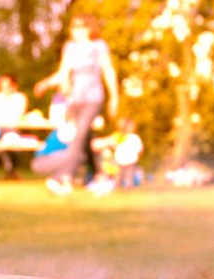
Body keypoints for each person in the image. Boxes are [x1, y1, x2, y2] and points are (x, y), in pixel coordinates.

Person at [32, 13, 119, 194]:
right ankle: (101, 178)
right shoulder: (70, 48)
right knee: (86, 140)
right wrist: (46, 83)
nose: (77, 31)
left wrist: (114, 97)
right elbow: (63, 73)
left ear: (89, 28)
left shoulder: (99, 47)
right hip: (74, 101)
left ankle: (62, 179)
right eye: (74, 27)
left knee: (77, 140)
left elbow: (108, 71)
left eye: (81, 26)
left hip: (93, 99)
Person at [0, 74, 29, 179]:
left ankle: (10, 171)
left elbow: (19, 114)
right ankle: (11, 171)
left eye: (7, 85)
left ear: (14, 86)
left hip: (13, 130)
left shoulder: (20, 98)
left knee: (11, 141)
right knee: (6, 142)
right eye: (2, 85)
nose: (4, 88)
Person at [89, 117, 144, 193]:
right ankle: (117, 186)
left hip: (130, 160)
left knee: (128, 175)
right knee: (119, 175)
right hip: (122, 160)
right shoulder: (119, 137)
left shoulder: (133, 137)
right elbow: (113, 144)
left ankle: (127, 187)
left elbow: (139, 148)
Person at [30, 112, 78, 196]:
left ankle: (62, 181)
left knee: (74, 156)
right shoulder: (69, 128)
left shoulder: (69, 126)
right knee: (75, 156)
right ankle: (55, 180)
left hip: (48, 159)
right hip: (42, 160)